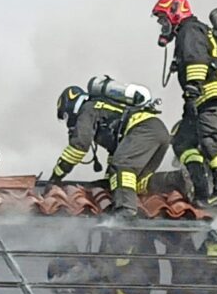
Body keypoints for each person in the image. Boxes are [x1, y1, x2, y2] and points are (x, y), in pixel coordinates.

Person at [152, 0, 217, 207]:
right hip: (202, 95)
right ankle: (201, 189)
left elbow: (196, 59)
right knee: (183, 141)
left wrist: (193, 87)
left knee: (209, 137)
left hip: (209, 91)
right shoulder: (192, 31)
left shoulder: (189, 29)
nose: (162, 25)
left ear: (175, 11)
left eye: (163, 19)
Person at [48, 77, 171, 219]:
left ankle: (126, 210)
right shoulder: (101, 108)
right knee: (138, 181)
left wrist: (56, 177)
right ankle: (178, 180)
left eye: (65, 116)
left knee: (123, 166)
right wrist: (108, 182)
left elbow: (79, 147)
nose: (68, 122)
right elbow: (117, 152)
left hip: (143, 129)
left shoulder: (88, 108)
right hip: (158, 132)